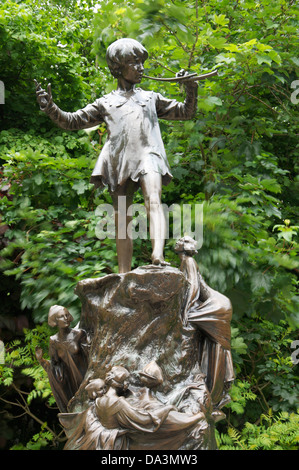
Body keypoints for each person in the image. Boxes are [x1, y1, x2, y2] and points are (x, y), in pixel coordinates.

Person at [35, 38, 198, 273]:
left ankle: (158, 254)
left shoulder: (151, 98)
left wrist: (191, 89)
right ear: (118, 67)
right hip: (119, 161)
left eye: (142, 62)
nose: (141, 68)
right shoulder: (106, 103)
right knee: (122, 219)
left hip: (149, 155)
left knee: (154, 197)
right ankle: (123, 274)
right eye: (135, 63)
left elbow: (185, 112)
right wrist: (51, 108)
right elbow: (72, 121)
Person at [175, 236, 234, 410]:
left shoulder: (188, 261)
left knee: (216, 348)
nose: (177, 242)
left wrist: (185, 312)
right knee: (212, 347)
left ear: (183, 247)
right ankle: (213, 393)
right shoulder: (186, 261)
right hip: (217, 305)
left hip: (217, 306)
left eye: (180, 240)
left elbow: (193, 288)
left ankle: (214, 393)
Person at [36, 305, 89, 412]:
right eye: (61, 316)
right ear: (55, 320)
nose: (65, 318)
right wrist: (41, 360)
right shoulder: (53, 341)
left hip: (86, 377)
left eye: (67, 315)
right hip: (71, 383)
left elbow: (90, 353)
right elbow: (55, 364)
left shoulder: (79, 334)